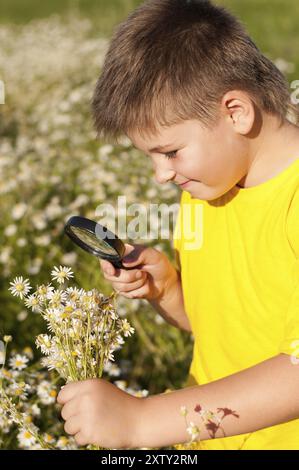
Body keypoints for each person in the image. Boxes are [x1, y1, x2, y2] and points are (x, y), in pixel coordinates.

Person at [57, 0, 299, 449]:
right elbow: (221, 327)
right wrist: (168, 290)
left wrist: (144, 420)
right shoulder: (203, 192)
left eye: (169, 151)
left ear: (235, 112)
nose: (161, 175)